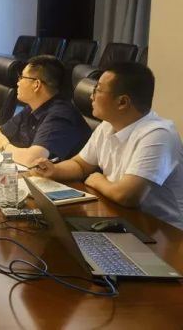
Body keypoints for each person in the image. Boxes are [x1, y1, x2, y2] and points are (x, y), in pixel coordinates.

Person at [34, 62, 183, 229]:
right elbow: (81, 165)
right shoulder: (107, 125)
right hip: (120, 219)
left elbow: (126, 195)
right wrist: (54, 170)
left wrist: (97, 180)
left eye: (97, 90)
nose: (91, 97)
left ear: (122, 102)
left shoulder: (158, 134)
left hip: (164, 233)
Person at [0, 55, 90, 167]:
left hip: (62, 179)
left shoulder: (60, 115)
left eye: (22, 77)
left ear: (36, 84)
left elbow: (34, 159)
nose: (18, 83)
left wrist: (4, 146)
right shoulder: (32, 107)